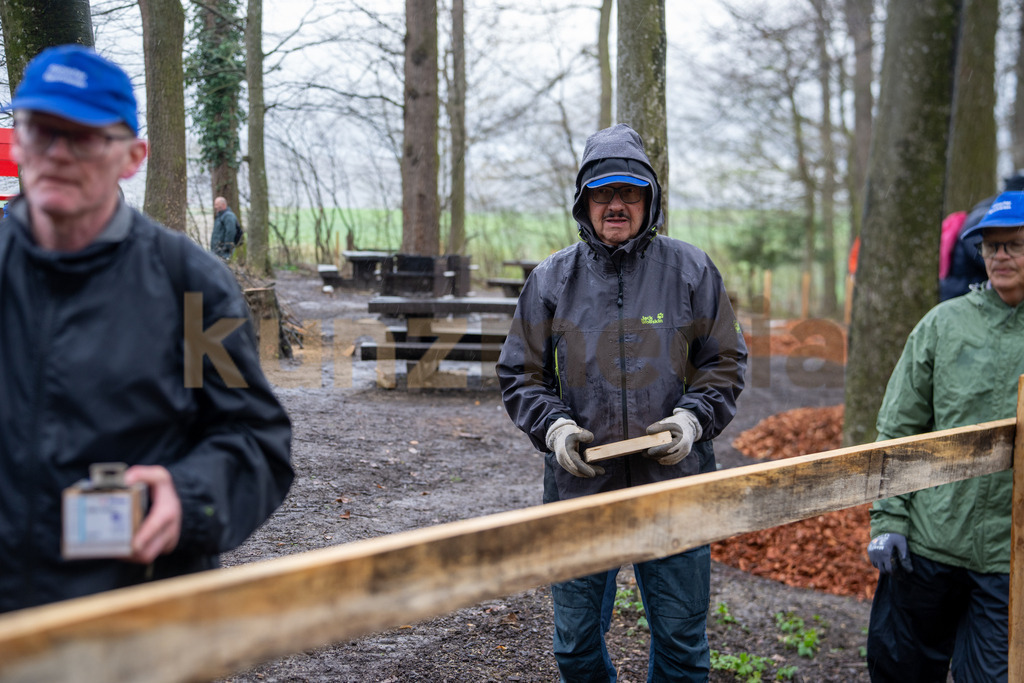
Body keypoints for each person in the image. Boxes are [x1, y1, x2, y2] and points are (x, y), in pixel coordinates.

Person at [0, 45, 294, 613]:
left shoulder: (191, 290)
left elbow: (252, 440)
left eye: (83, 136)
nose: (56, 153)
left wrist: (189, 496)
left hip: (137, 621)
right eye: (40, 130)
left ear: (133, 157)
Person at [496, 123, 747, 681]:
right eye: (603, 193)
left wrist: (693, 419)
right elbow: (520, 373)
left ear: (648, 200)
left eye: (629, 193)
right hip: (581, 486)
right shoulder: (551, 280)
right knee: (574, 645)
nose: (616, 205)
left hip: (675, 483)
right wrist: (554, 428)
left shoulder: (691, 270)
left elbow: (724, 361)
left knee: (682, 646)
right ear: (583, 202)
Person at [866, 190, 1024, 681]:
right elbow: (898, 427)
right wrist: (889, 518)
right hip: (928, 545)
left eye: (1015, 245)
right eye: (991, 246)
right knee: (901, 670)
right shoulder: (943, 324)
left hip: (1008, 557)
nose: (1000, 256)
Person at [211, 195, 240, 261]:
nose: (215, 207)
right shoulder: (220, 216)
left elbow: (230, 232)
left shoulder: (228, 216)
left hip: (223, 252)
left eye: (217, 205)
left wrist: (226, 247)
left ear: (223, 205)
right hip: (217, 251)